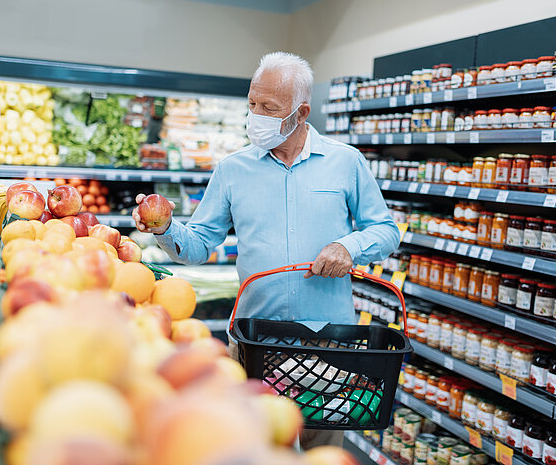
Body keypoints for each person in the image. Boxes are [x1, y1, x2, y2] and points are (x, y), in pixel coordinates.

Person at [133, 52, 400, 449]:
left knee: (322, 450)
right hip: (255, 343)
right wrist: (166, 227)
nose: (256, 115)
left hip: (328, 341)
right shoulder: (232, 169)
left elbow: (386, 230)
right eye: (252, 104)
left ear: (301, 111)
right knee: (257, 449)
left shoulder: (345, 163)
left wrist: (350, 245)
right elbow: (199, 244)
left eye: (269, 108)